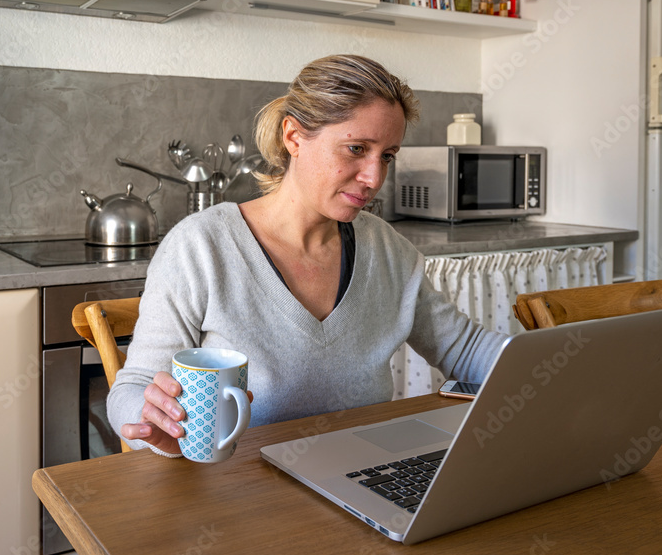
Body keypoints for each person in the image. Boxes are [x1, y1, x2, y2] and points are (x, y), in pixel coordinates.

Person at [106, 54, 507, 457]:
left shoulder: (388, 252)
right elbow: (135, 385)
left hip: (365, 481)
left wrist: (553, 366)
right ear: (294, 137)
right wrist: (156, 421)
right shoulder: (200, 247)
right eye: (355, 149)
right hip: (239, 495)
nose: (375, 177)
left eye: (387, 155)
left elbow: (467, 350)